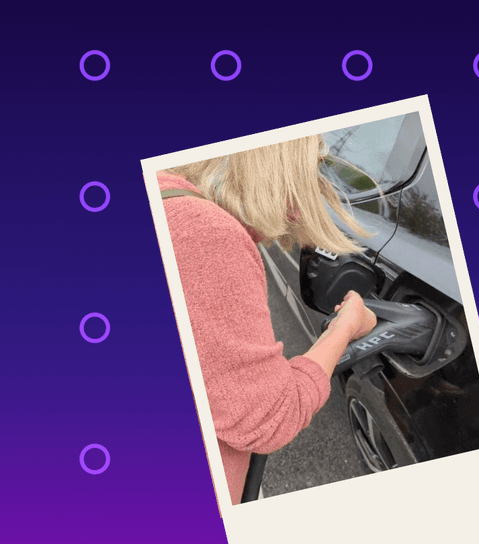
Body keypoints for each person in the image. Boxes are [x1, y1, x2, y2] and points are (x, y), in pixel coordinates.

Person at [158, 135, 380, 504]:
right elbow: (267, 417)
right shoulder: (203, 233)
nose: (295, 218)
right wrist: (346, 327)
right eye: (306, 184)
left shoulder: (167, 200)